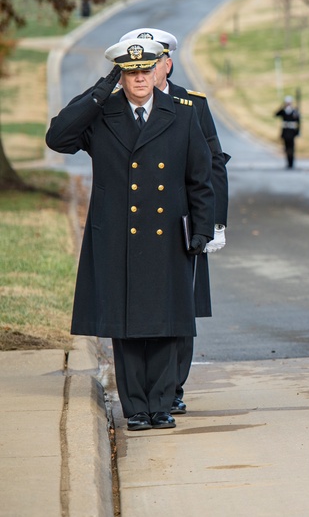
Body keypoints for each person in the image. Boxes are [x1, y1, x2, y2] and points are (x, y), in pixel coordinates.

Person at [45, 38, 215, 431]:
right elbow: (58, 138)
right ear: (120, 75)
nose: (139, 78)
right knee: (127, 325)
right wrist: (101, 91)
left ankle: (161, 405)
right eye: (130, 72)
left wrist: (202, 229)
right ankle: (136, 408)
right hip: (118, 233)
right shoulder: (102, 114)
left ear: (157, 70)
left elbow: (200, 178)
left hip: (169, 232)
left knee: (166, 323)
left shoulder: (182, 113)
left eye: (145, 70)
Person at [119, 27, 230, 416]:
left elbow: (212, 164)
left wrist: (214, 223)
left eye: (159, 59)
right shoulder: (121, 104)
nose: (153, 67)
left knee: (181, 308)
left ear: (167, 63)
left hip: (180, 222)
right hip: (137, 222)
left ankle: (173, 386)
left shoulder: (190, 104)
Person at [275, 96, 300, 168]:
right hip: (285, 132)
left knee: (291, 148)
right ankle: (288, 162)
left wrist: (297, 131)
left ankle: (291, 163)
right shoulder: (283, 111)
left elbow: (298, 122)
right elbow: (276, 114)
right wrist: (282, 107)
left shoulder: (294, 111)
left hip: (292, 132)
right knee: (286, 148)